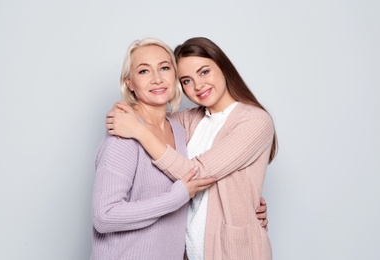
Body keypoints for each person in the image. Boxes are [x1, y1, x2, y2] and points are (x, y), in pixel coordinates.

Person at [106, 37, 277, 260]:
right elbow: (148, 115)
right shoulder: (188, 120)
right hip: (189, 251)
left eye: (204, 72)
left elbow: (197, 173)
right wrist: (121, 109)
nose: (198, 85)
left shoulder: (255, 120)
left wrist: (139, 132)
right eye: (186, 80)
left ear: (223, 68)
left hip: (235, 251)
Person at [91, 38, 217, 260]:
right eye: (144, 71)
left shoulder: (179, 131)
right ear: (129, 82)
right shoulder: (123, 134)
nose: (157, 79)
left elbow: (198, 182)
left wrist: (248, 206)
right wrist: (176, 197)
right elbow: (105, 216)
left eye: (164, 68)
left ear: (175, 75)